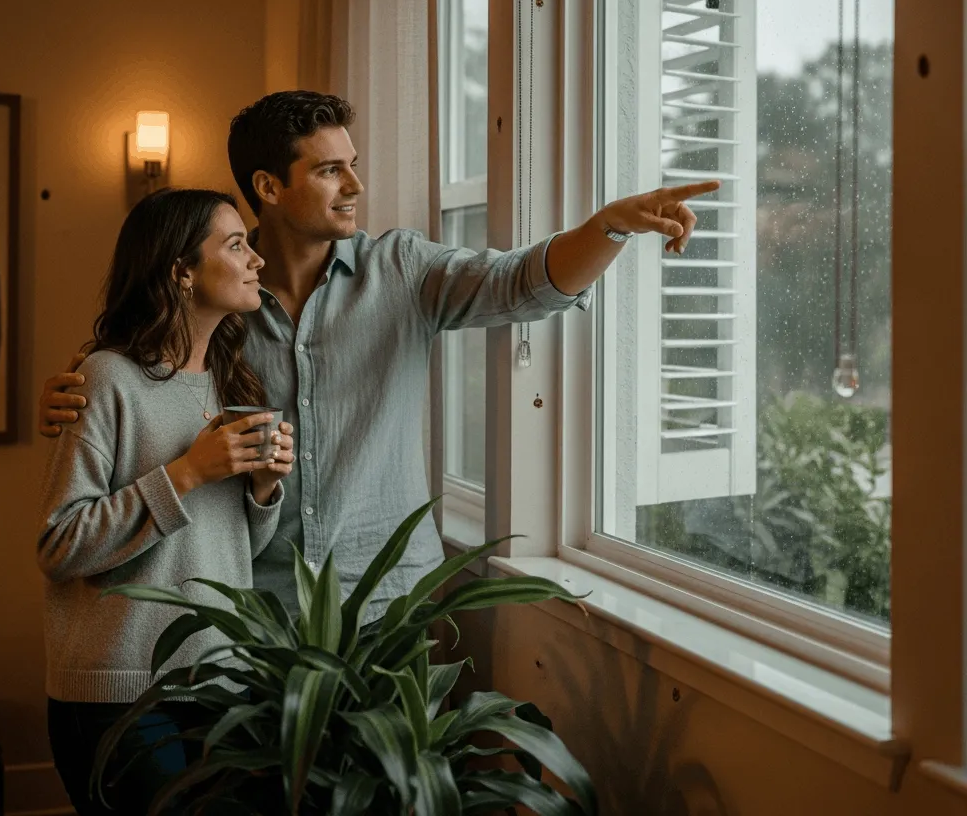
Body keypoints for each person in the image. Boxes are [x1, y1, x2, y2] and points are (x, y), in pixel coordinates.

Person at [38, 90, 717, 622]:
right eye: (330, 170)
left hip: (386, 608)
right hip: (250, 608)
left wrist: (611, 226)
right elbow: (137, 381)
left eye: (353, 166)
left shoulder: (400, 269)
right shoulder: (218, 300)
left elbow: (524, 282)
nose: (355, 187)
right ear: (269, 188)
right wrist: (74, 396)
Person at [37, 188, 294, 815]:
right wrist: (185, 474)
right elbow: (60, 543)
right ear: (181, 272)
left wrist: (263, 490)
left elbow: (231, 550)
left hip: (219, 682)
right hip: (120, 693)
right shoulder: (104, 378)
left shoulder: (232, 381)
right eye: (236, 245)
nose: (256, 258)